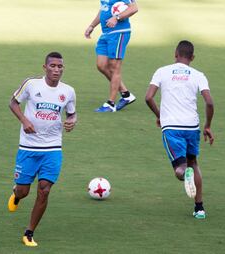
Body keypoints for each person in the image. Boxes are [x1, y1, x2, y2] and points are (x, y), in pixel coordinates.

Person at [7, 52, 77, 246]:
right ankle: (17, 193)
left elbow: (72, 114)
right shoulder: (31, 84)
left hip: (53, 148)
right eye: (53, 66)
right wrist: (24, 120)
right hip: (28, 146)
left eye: (60, 66)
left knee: (44, 191)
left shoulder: (69, 91)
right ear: (44, 67)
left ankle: (29, 232)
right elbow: (13, 103)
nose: (56, 70)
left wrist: (72, 121)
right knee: (24, 191)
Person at [145, 40, 214, 219]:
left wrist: (159, 115)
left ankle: (186, 175)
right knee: (194, 162)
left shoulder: (162, 71)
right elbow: (209, 102)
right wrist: (207, 126)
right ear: (192, 57)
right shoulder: (199, 75)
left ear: (175, 54)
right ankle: (199, 208)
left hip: (172, 127)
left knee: (180, 169)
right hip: (192, 126)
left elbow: (148, 97)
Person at [84, 0, 138, 112]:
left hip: (119, 32)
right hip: (106, 33)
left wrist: (116, 17)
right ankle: (126, 94)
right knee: (101, 65)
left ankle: (110, 104)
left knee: (114, 66)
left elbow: (134, 8)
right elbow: (103, 8)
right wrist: (92, 25)